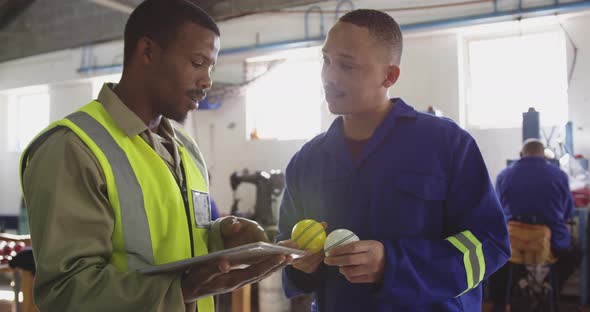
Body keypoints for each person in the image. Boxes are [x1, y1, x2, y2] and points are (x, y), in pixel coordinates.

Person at [20, 1, 290, 311]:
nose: (207, 81)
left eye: (210, 67)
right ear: (147, 51)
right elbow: (66, 292)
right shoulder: (74, 149)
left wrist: (222, 241)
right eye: (197, 62)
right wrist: (182, 289)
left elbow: (170, 245)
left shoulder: (185, 148)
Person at [276, 9, 510, 311]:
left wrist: (394, 265)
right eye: (326, 60)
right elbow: (284, 254)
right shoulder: (307, 161)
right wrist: (298, 264)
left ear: (390, 75)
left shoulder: (446, 144)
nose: (329, 76)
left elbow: (489, 244)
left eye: (347, 65)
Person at [490, 139, 578, 310]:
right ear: (543, 154)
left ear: (522, 154)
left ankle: (507, 297)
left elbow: (497, 211)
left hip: (515, 243)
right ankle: (549, 288)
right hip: (551, 243)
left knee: (497, 260)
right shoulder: (559, 175)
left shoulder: (504, 175)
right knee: (575, 253)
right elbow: (568, 213)